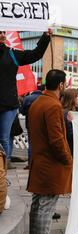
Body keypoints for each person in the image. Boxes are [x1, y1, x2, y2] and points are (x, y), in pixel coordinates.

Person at [27, 70, 72, 234]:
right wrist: (68, 159)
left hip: (39, 161)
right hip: (50, 164)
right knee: (46, 207)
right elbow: (56, 139)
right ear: (61, 85)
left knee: (37, 205)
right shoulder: (53, 105)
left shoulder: (36, 102)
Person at [0, 29, 51, 169]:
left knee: (4, 137)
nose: (3, 35)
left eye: (4, 32)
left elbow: (36, 54)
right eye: (0, 33)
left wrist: (45, 38)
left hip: (8, 104)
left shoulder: (12, 53)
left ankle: (2, 173)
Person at [61, 89, 78, 155]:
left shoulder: (77, 112)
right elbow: (70, 134)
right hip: (70, 149)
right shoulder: (66, 114)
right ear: (72, 98)